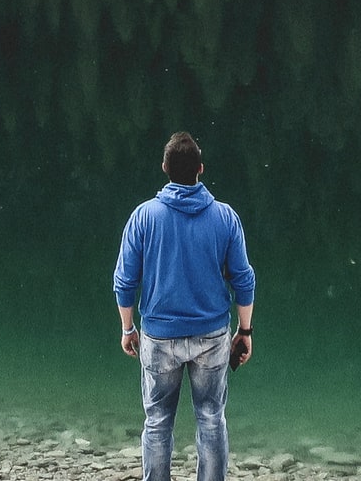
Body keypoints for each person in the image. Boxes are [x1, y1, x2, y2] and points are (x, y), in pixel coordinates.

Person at [113, 131, 255, 481]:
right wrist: (245, 330)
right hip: (211, 335)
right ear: (200, 169)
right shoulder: (225, 218)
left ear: (164, 168)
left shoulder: (144, 217)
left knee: (157, 421)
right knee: (211, 418)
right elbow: (243, 280)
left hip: (159, 336)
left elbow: (124, 281)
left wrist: (128, 328)